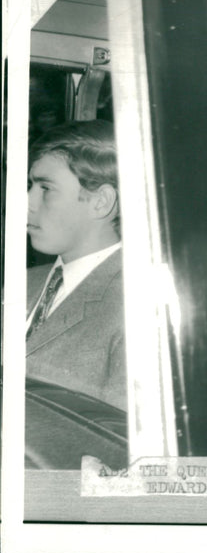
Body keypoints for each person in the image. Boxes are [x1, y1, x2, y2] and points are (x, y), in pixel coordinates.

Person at [26, 120, 126, 411]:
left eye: (46, 188)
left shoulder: (136, 307)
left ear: (101, 202)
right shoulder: (22, 285)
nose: (28, 202)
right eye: (31, 186)